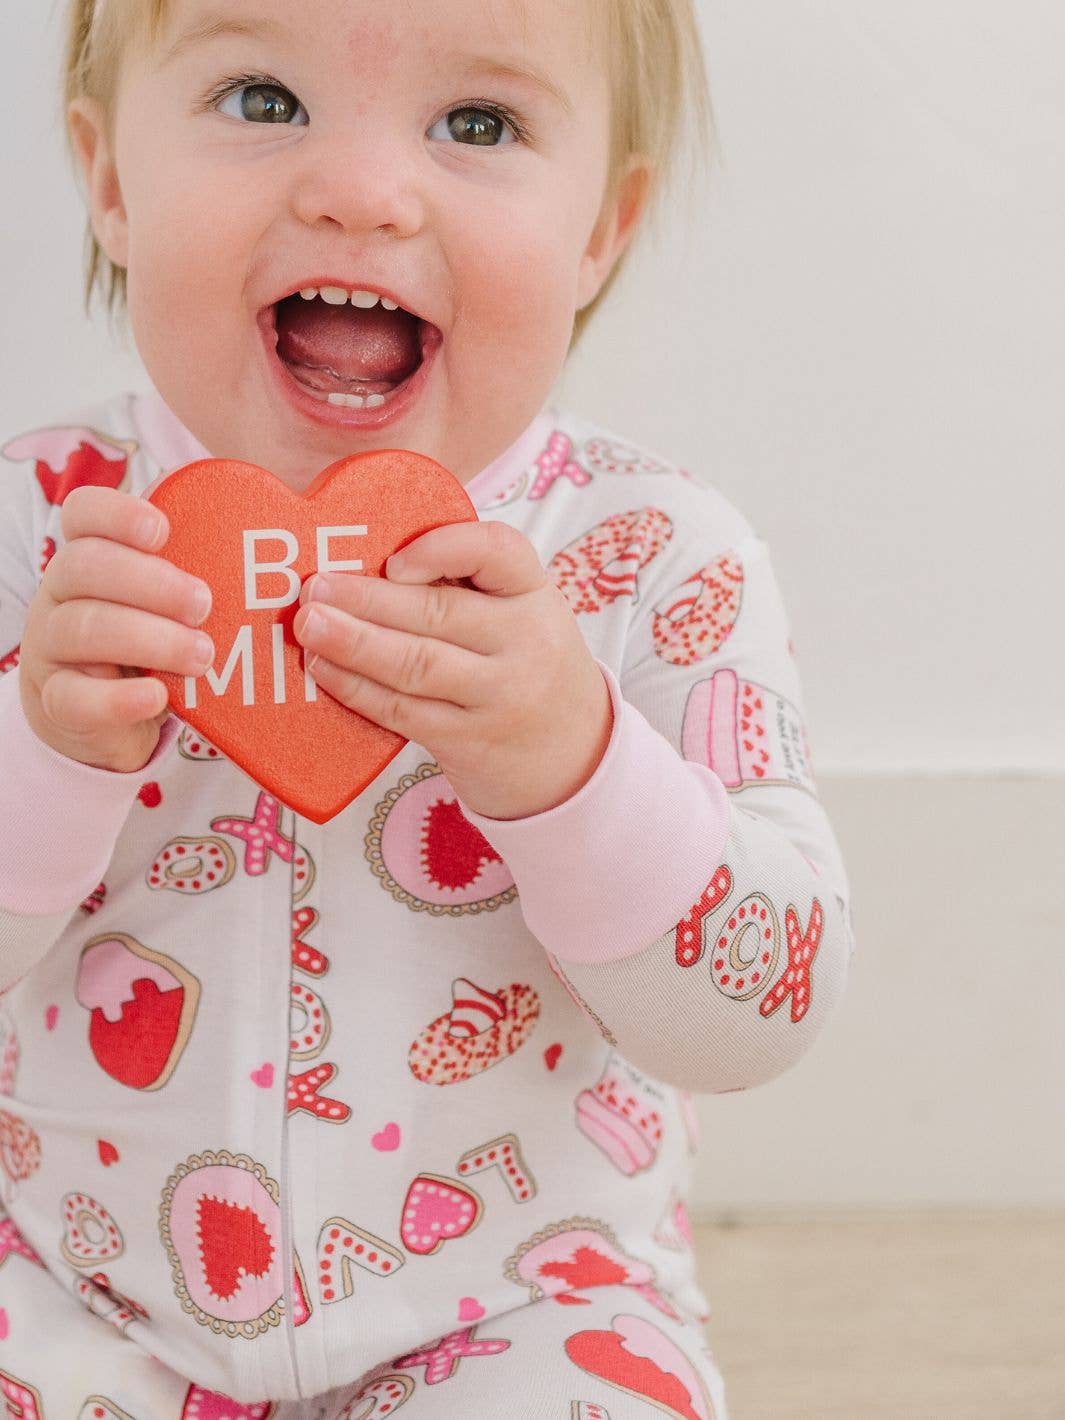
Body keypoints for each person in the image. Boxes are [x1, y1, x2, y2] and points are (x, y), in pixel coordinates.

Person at [0, 0, 856, 1413]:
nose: (358, 191)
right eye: (264, 98)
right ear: (110, 184)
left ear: (599, 230)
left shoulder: (653, 556)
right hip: (67, 1284)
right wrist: (45, 753)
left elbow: (759, 1015)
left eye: (478, 124)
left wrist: (567, 764)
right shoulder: (41, 534)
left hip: (523, 1304)